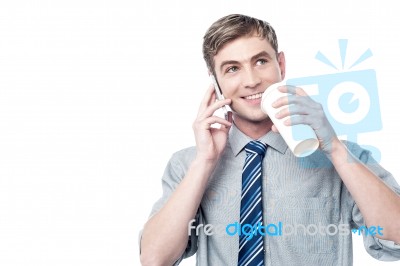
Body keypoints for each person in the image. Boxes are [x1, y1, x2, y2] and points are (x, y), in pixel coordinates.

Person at [139, 14, 400, 265]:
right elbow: (154, 259)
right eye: (232, 69)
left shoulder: (344, 157)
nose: (252, 81)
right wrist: (204, 163)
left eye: (261, 62)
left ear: (281, 65)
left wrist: (334, 148)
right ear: (215, 81)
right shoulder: (188, 164)